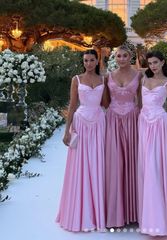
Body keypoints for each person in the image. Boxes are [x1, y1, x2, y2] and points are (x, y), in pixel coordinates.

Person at [56, 49, 107, 232]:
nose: (89, 63)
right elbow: (72, 105)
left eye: (92, 60)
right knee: (81, 166)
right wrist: (67, 130)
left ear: (97, 61)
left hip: (99, 123)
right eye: (86, 60)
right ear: (83, 62)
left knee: (98, 164)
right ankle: (81, 212)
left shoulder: (103, 80)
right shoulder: (76, 79)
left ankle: (97, 212)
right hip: (81, 123)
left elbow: (106, 103)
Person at [138, 50, 167, 236]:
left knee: (157, 169)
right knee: (146, 170)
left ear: (163, 62)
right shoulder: (143, 79)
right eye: (150, 63)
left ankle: (161, 220)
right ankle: (149, 216)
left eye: (156, 62)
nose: (153, 66)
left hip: (160, 127)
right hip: (143, 125)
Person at [105, 45, 142, 228]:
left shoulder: (139, 76)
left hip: (132, 120)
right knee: (114, 164)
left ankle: (134, 212)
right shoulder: (108, 76)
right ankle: (115, 213)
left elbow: (142, 102)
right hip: (112, 120)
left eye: (124, 55)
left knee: (133, 163)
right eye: (118, 55)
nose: (121, 58)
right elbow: (104, 100)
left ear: (131, 57)